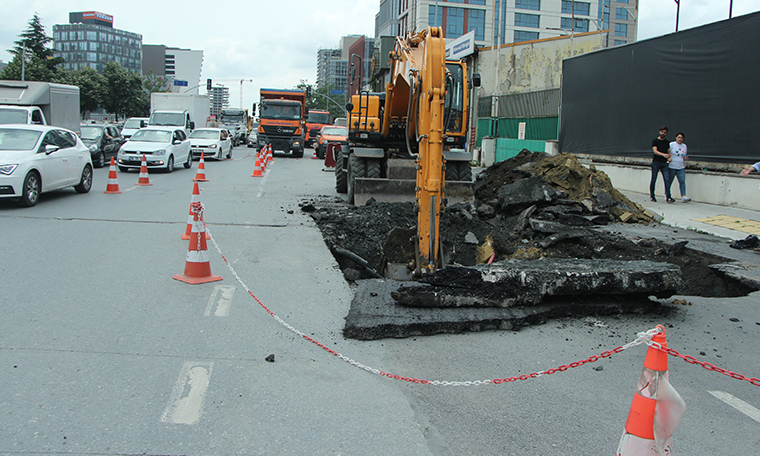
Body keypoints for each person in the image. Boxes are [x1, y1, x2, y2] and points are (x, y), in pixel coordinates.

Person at [650, 126, 673, 203]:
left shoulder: (667, 142)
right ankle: (652, 196)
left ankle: (668, 196)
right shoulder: (655, 141)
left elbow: (669, 151)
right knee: (654, 179)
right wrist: (663, 155)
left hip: (664, 163)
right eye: (662, 132)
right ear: (660, 132)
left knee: (667, 179)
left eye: (665, 132)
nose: (663, 133)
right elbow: (655, 151)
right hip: (656, 162)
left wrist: (669, 157)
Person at [666, 132, 690, 202]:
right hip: (672, 166)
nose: (680, 139)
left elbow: (684, 155)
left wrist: (686, 158)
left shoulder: (684, 146)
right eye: (678, 137)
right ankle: (667, 195)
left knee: (682, 181)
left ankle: (684, 196)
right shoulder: (671, 144)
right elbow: (668, 152)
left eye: (681, 138)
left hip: (681, 166)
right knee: (669, 181)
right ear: (676, 138)